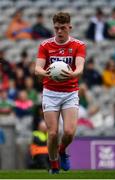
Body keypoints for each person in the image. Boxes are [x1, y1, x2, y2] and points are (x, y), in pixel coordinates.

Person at [35, 12, 86, 174]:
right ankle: (54, 166)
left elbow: (80, 68)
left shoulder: (79, 45)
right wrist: (45, 73)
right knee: (52, 133)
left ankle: (62, 150)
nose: (59, 31)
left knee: (69, 132)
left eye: (63, 28)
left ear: (69, 27)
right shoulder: (45, 45)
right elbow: (37, 68)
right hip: (50, 92)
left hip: (70, 92)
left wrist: (73, 74)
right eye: (56, 28)